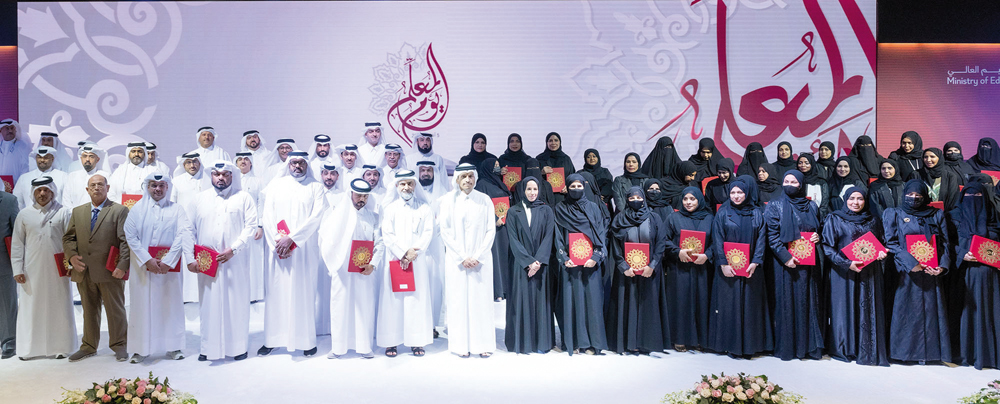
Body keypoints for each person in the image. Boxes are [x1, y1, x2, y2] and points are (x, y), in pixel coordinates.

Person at [257, 151, 326, 357]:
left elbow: (316, 217)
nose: (297, 166)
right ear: (288, 164)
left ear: (307, 165)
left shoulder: (316, 187)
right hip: (278, 252)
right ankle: (272, 339)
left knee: (303, 294)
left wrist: (293, 239)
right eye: (293, 162)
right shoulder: (276, 186)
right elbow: (267, 216)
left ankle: (305, 341)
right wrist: (278, 243)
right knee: (277, 294)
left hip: (303, 251)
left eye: (301, 163)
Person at [189, 161, 258, 361]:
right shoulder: (199, 199)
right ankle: (207, 348)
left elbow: (251, 226)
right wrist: (194, 256)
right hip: (206, 261)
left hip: (235, 261)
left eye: (225, 174)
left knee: (236, 303)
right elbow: (189, 229)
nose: (220, 178)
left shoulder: (244, 198)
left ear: (232, 176)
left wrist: (233, 249)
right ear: (210, 176)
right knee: (208, 304)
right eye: (216, 174)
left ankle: (238, 348)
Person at [122, 172, 193, 363]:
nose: (158, 189)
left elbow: (183, 234)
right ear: (147, 187)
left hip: (169, 269)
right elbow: (130, 236)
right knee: (141, 307)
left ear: (167, 188)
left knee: (171, 305)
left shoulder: (177, 209)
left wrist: (169, 260)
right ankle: (140, 349)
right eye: (154, 185)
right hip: (143, 269)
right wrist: (147, 260)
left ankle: (174, 346)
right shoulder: (136, 210)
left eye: (162, 185)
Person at [61, 174, 131, 362]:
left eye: (101, 185)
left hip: (110, 271)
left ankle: (120, 345)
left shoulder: (119, 210)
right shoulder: (77, 212)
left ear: (108, 188)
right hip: (84, 270)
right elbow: (68, 238)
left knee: (115, 310)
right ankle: (89, 346)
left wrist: (122, 265)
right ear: (87, 189)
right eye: (93, 185)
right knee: (89, 310)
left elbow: (125, 241)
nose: (97, 188)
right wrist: (72, 257)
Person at [883, 179, 952, 364]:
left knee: (931, 311)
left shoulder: (936, 214)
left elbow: (945, 243)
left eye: (918, 195)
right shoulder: (894, 213)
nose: (914, 198)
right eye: (910, 195)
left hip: (931, 271)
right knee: (905, 312)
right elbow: (891, 243)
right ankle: (904, 354)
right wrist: (911, 263)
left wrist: (942, 266)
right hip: (906, 272)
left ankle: (932, 355)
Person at [821, 186, 890, 366]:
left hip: (869, 272)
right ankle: (844, 348)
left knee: (866, 308)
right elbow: (827, 247)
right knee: (843, 310)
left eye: (860, 199)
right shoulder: (835, 218)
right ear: (845, 200)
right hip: (843, 272)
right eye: (852, 198)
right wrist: (847, 263)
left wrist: (882, 253)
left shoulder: (873, 220)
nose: (856, 202)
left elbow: (880, 244)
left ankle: (865, 348)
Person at [10, 177, 75, 360]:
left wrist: (71, 265)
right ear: (32, 193)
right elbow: (17, 244)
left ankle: (60, 347)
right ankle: (28, 349)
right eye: (38, 190)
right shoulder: (24, 214)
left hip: (58, 269)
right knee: (31, 307)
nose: (42, 194)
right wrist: (17, 269)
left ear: (53, 191)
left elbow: (70, 241)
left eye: (46, 190)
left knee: (59, 305)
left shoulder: (63, 212)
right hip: (31, 269)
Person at [708, 177, 772, 357]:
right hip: (728, 270)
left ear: (747, 193)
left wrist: (756, 261)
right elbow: (718, 239)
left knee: (751, 305)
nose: (736, 196)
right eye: (733, 192)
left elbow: (762, 239)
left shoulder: (757, 212)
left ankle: (750, 345)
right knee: (729, 305)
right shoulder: (723, 213)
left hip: (752, 269)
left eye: (740, 192)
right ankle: (729, 344)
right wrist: (723, 264)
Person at [318, 179, 383, 359]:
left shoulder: (373, 217)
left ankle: (364, 347)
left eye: (365, 195)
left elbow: (380, 243)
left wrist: (373, 264)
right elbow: (325, 240)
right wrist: (335, 261)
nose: (362, 199)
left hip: (364, 270)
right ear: (350, 194)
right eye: (358, 195)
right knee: (340, 306)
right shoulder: (335, 214)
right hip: (342, 269)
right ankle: (338, 347)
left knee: (364, 306)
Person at [437, 163, 497, 357]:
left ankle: (483, 345)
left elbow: (490, 230)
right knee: (458, 302)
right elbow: (445, 231)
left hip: (481, 261)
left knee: (481, 302)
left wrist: (478, 256)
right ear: (457, 179)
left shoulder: (485, 200)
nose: (467, 180)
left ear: (475, 178)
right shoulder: (447, 201)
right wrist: (462, 257)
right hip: (457, 262)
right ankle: (460, 346)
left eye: (471, 176)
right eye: (463, 177)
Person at [764, 170, 824, 360]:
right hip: (785, 265)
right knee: (787, 304)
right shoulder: (774, 205)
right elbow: (772, 236)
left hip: (808, 263)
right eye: (786, 180)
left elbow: (817, 229)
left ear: (801, 184)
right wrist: (785, 257)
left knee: (808, 303)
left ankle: (808, 347)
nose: (789, 184)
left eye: (794, 181)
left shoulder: (811, 205)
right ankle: (788, 348)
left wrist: (817, 236)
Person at [376, 171, 435, 357]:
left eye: (410, 184)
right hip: (395, 260)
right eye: (402, 184)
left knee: (415, 301)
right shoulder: (390, 208)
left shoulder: (424, 208)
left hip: (416, 262)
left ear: (415, 185)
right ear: (396, 187)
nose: (406, 187)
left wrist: (411, 254)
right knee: (393, 302)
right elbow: (387, 234)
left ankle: (416, 341)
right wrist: (403, 253)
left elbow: (428, 233)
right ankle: (391, 342)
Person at [605, 186, 668, 354]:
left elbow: (661, 243)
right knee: (627, 304)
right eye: (631, 198)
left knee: (648, 305)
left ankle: (646, 343)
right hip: (627, 273)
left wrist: (652, 265)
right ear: (626, 200)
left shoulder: (654, 218)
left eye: (638, 197)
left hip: (649, 272)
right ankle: (628, 342)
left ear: (644, 199)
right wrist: (624, 266)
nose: (635, 201)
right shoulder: (619, 218)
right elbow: (615, 245)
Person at [552, 173, 608, 355]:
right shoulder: (560, 208)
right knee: (571, 302)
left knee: (592, 303)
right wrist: (564, 257)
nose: (576, 189)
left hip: (591, 264)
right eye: (572, 186)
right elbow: (558, 237)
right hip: (570, 265)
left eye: (579, 186)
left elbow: (601, 234)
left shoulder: (593, 208)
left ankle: (593, 343)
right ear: (567, 188)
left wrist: (596, 257)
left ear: (584, 187)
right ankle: (575, 341)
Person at [504, 177, 556, 354]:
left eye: (535, 189)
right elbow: (513, 240)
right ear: (522, 191)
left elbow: (549, 237)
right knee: (521, 302)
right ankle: (522, 343)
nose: (532, 193)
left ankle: (541, 342)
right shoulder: (513, 211)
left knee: (540, 303)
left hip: (541, 267)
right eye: (528, 189)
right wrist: (528, 262)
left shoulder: (547, 210)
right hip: (520, 266)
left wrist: (538, 261)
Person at [953, 181, 1000, 369]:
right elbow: (944, 245)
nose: (973, 201)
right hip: (964, 275)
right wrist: (961, 254)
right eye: (969, 197)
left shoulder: (994, 218)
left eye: (979, 197)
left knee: (990, 312)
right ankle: (966, 354)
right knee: (967, 313)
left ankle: (990, 355)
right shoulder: (954, 218)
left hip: (990, 276)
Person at [663, 187, 714, 351]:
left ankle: (700, 339)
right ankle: (680, 338)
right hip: (679, 268)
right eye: (685, 199)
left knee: (701, 302)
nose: (688, 202)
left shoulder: (709, 218)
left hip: (702, 269)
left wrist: (707, 255)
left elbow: (717, 241)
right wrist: (678, 252)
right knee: (681, 302)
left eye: (692, 199)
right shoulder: (673, 217)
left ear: (699, 200)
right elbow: (663, 240)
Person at [171, 152, 209, 303]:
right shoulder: (177, 181)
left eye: (195, 162)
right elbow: (172, 203)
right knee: (187, 258)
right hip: (183, 226)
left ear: (199, 163)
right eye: (188, 162)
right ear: (183, 165)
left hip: (204, 226)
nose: (192, 165)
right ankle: (187, 295)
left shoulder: (207, 179)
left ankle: (203, 293)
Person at [475, 158, 512, 300]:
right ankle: (497, 290)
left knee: (504, 257)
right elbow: (480, 207)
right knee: (496, 258)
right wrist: (494, 217)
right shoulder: (481, 185)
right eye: (494, 166)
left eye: (498, 165)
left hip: (505, 228)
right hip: (493, 228)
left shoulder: (500, 183)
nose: (497, 168)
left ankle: (505, 290)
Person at [235, 152, 266, 303]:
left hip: (254, 227)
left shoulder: (258, 181)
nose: (243, 162)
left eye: (246, 159)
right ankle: (239, 293)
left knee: (254, 260)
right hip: (235, 226)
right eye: (240, 159)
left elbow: (261, 203)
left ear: (251, 163)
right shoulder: (232, 181)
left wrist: (260, 225)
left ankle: (254, 294)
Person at [13, 146, 68, 210]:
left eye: (46, 158)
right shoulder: (24, 178)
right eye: (39, 157)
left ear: (52, 159)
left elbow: (66, 201)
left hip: (55, 217)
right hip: (30, 217)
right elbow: (18, 202)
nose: (42, 160)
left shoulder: (63, 176)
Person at [64, 143, 112, 207]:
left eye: (91, 156)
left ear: (97, 159)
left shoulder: (105, 176)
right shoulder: (72, 176)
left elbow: (110, 198)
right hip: (75, 215)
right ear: (81, 158)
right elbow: (66, 200)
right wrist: (74, 215)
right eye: (85, 156)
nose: (87, 159)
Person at [536, 132, 576, 205]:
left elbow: (573, 176)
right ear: (546, 143)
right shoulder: (540, 159)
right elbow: (533, 178)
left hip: (562, 196)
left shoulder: (566, 159)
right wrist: (541, 172)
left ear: (560, 142)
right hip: (544, 197)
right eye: (550, 140)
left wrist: (569, 186)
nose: (553, 143)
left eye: (556, 140)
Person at [0, 186, 15, 359]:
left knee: (6, 301)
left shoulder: (9, 201)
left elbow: (16, 232)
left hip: (3, 260)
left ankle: (9, 341)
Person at [578, 148, 614, 214]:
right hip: (586, 206)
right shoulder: (580, 173)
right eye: (589, 157)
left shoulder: (605, 172)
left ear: (598, 157)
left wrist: (603, 196)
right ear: (585, 159)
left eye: (594, 156)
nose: (592, 159)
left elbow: (611, 186)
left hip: (604, 204)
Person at [0, 119, 32, 190]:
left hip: (17, 187)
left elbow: (26, 168)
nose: (10, 131)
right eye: (7, 128)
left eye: (12, 128)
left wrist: (19, 186)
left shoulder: (23, 147)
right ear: (1, 130)